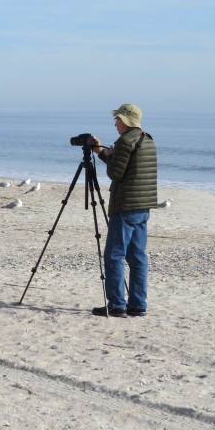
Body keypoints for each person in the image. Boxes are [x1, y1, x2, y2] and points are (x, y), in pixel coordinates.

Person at [91, 103, 158, 318]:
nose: (114, 123)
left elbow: (115, 174)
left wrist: (109, 154)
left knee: (114, 255)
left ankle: (117, 305)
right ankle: (138, 305)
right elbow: (128, 168)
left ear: (126, 121)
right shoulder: (147, 139)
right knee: (137, 256)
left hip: (125, 205)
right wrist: (104, 152)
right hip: (143, 204)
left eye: (117, 119)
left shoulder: (125, 141)